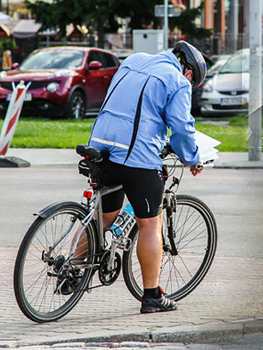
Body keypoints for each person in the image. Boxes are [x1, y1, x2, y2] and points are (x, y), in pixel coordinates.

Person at [88, 41, 207, 314]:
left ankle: (70, 269)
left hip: (100, 145)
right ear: (189, 72)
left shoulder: (133, 60)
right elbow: (181, 128)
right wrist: (192, 158)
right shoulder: (176, 81)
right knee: (150, 224)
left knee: (103, 217)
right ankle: (152, 296)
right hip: (135, 156)